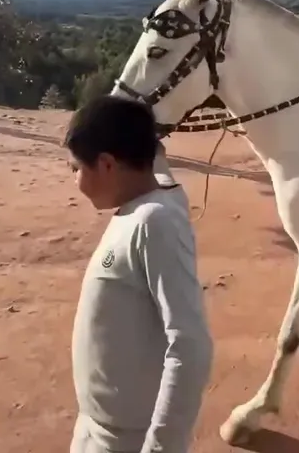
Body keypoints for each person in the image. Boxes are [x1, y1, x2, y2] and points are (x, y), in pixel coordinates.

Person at [66, 95, 213, 453]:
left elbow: (190, 345)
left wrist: (162, 447)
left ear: (106, 164)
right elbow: (156, 163)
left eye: (75, 168)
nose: (75, 180)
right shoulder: (142, 205)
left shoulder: (154, 221)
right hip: (95, 427)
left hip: (125, 440)